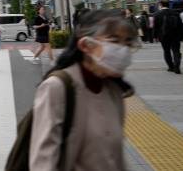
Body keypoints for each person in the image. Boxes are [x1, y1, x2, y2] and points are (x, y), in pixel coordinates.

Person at [29, 10, 137, 170]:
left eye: (127, 43)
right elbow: (43, 162)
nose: (123, 50)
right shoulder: (57, 87)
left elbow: (115, 158)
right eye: (114, 41)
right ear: (86, 45)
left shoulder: (114, 89)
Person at [153, 0, 183, 74]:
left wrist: (155, 36)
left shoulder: (157, 14)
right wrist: (182, 35)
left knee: (166, 51)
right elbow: (180, 26)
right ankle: (177, 67)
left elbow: (155, 27)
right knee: (176, 51)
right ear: (168, 5)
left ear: (161, 5)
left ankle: (171, 67)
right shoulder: (175, 13)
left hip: (163, 36)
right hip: (175, 35)